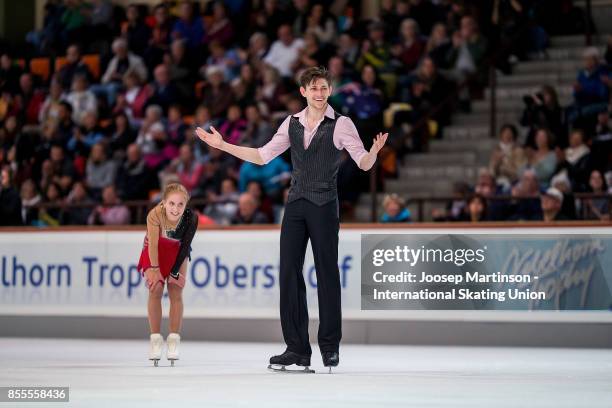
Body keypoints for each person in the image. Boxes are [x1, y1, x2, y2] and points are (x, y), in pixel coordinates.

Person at [196, 66, 387, 372]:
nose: (320, 93)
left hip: (325, 205)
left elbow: (362, 162)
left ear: (329, 90)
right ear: (304, 92)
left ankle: (329, 347)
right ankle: (297, 348)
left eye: (324, 88)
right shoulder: (291, 123)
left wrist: (373, 154)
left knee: (327, 273)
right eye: (314, 89)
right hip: (296, 204)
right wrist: (222, 146)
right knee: (289, 273)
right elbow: (262, 156)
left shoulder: (341, 124)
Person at [137, 183, 198, 367]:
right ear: (164, 203)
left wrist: (174, 271)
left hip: (177, 253)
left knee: (175, 291)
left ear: (186, 205)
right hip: (154, 250)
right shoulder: (155, 215)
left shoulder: (191, 218)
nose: (176, 208)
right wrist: (155, 269)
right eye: (172, 203)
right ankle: (155, 341)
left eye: (180, 204)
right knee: (155, 289)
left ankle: (173, 341)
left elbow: (185, 245)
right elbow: (154, 244)